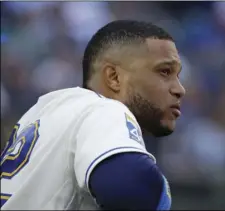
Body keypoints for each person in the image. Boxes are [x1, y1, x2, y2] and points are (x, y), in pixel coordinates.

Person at [0, 20, 185, 210]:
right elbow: (130, 187)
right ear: (114, 77)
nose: (180, 89)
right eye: (164, 71)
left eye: (177, 75)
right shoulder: (103, 109)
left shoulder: (42, 112)